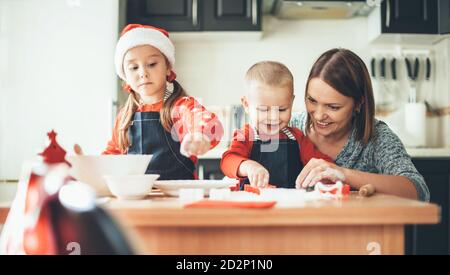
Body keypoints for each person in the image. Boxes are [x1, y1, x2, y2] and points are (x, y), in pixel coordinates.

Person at [290, 48, 429, 201]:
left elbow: (419, 191)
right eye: (312, 101)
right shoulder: (290, 126)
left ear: (358, 103)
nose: (318, 115)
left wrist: (343, 174)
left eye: (333, 107)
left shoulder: (377, 138)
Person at [103, 24, 223, 180]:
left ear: (168, 68)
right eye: (133, 67)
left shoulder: (181, 106)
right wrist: (90, 166)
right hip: (139, 197)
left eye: (152, 64)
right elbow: (112, 155)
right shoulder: (124, 117)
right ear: (124, 76)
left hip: (178, 196)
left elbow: (206, 121)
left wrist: (199, 135)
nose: (143, 73)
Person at [221, 61, 332, 188]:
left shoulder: (297, 137)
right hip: (254, 203)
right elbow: (227, 161)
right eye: (263, 110)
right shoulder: (246, 135)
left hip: (290, 203)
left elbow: (323, 164)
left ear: (291, 102)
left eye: (281, 109)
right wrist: (248, 166)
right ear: (246, 104)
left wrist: (326, 174)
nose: (273, 117)